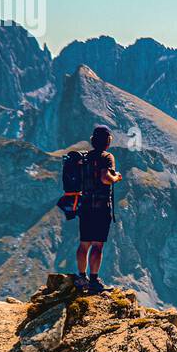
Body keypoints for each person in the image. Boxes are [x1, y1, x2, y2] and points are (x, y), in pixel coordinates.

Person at [75, 125, 122, 293]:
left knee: (84, 243)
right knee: (97, 245)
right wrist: (116, 178)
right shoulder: (107, 157)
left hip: (85, 206)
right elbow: (105, 178)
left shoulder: (85, 158)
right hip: (101, 208)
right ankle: (93, 280)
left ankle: (81, 277)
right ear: (108, 141)